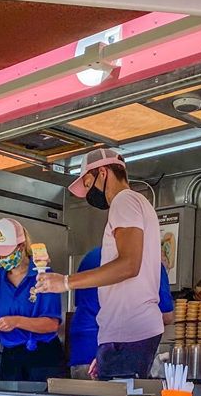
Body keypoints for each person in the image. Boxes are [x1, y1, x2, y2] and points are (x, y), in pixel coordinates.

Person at [36, 147, 163, 379]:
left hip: (129, 332)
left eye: (87, 183)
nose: (87, 193)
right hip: (126, 334)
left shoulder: (124, 201)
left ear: (102, 173)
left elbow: (128, 265)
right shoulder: (138, 203)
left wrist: (65, 282)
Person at [0, 217, 66, 381]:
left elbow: (52, 324)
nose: (2, 258)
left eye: (6, 252)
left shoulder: (42, 275)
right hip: (11, 357)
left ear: (21, 246)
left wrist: (17, 321)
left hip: (44, 357)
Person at [69, 246, 175, 378]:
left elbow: (80, 300)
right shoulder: (150, 261)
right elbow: (166, 316)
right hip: (120, 353)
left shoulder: (91, 256)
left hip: (83, 345)